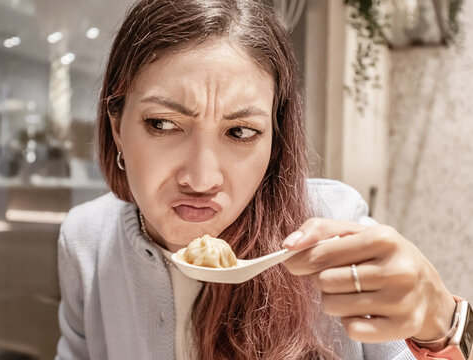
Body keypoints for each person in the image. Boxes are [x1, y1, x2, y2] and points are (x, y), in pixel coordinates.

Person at [55, 0, 470, 359]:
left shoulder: (334, 238)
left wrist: (444, 323)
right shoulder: (86, 240)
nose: (201, 178)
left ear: (274, 141)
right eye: (163, 123)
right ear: (116, 128)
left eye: (240, 132)